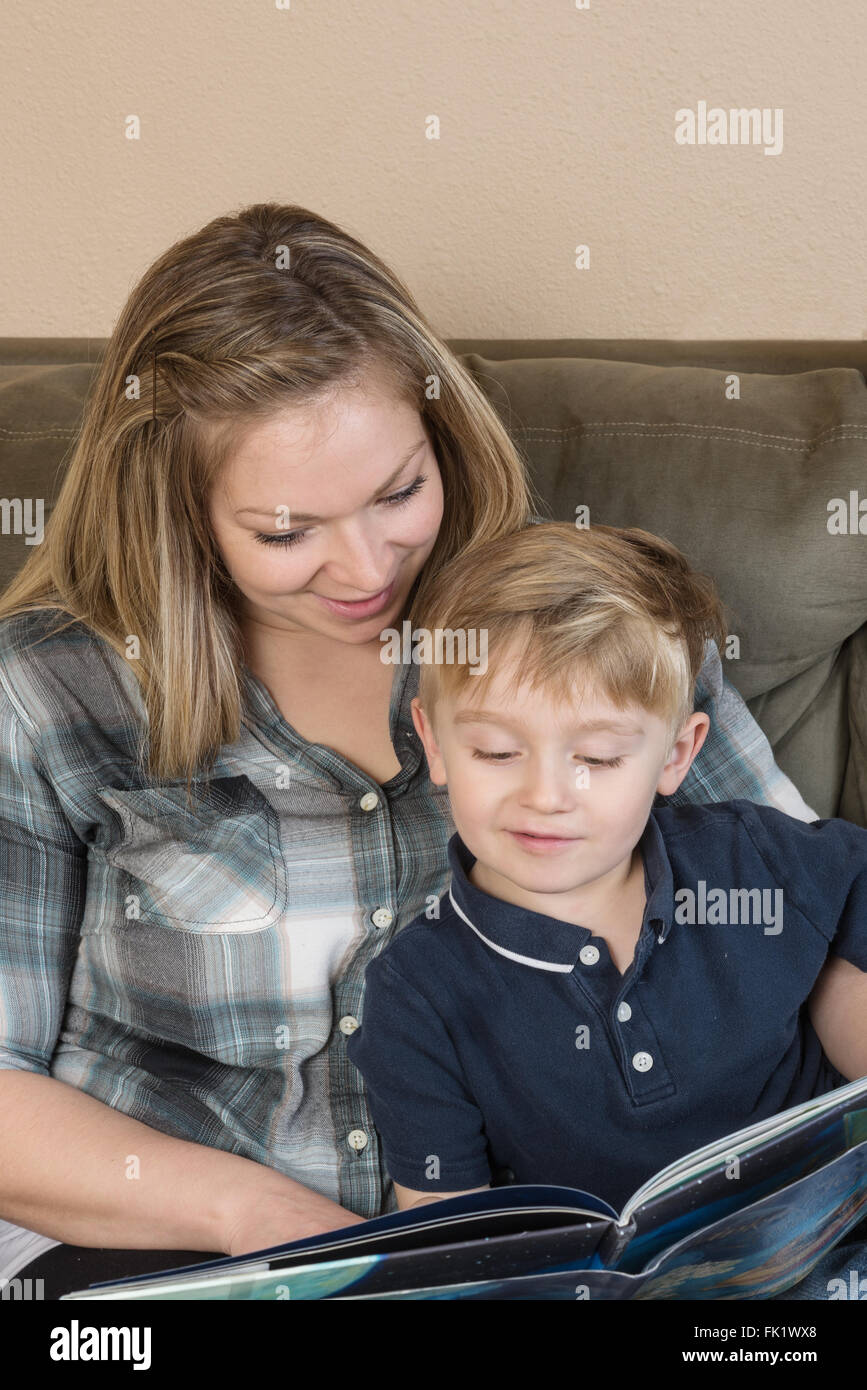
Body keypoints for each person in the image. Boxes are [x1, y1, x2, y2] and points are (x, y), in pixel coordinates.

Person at [0, 203, 817, 1301]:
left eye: (399, 493)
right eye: (286, 532)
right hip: (166, 1250)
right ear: (179, 516)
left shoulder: (584, 632)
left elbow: (806, 923)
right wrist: (275, 1223)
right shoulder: (49, 691)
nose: (365, 568)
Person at [346, 521, 867, 1299]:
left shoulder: (754, 864)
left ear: (677, 755)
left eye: (595, 758)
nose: (547, 796)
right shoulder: (416, 995)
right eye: (495, 751)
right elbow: (448, 1240)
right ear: (437, 744)